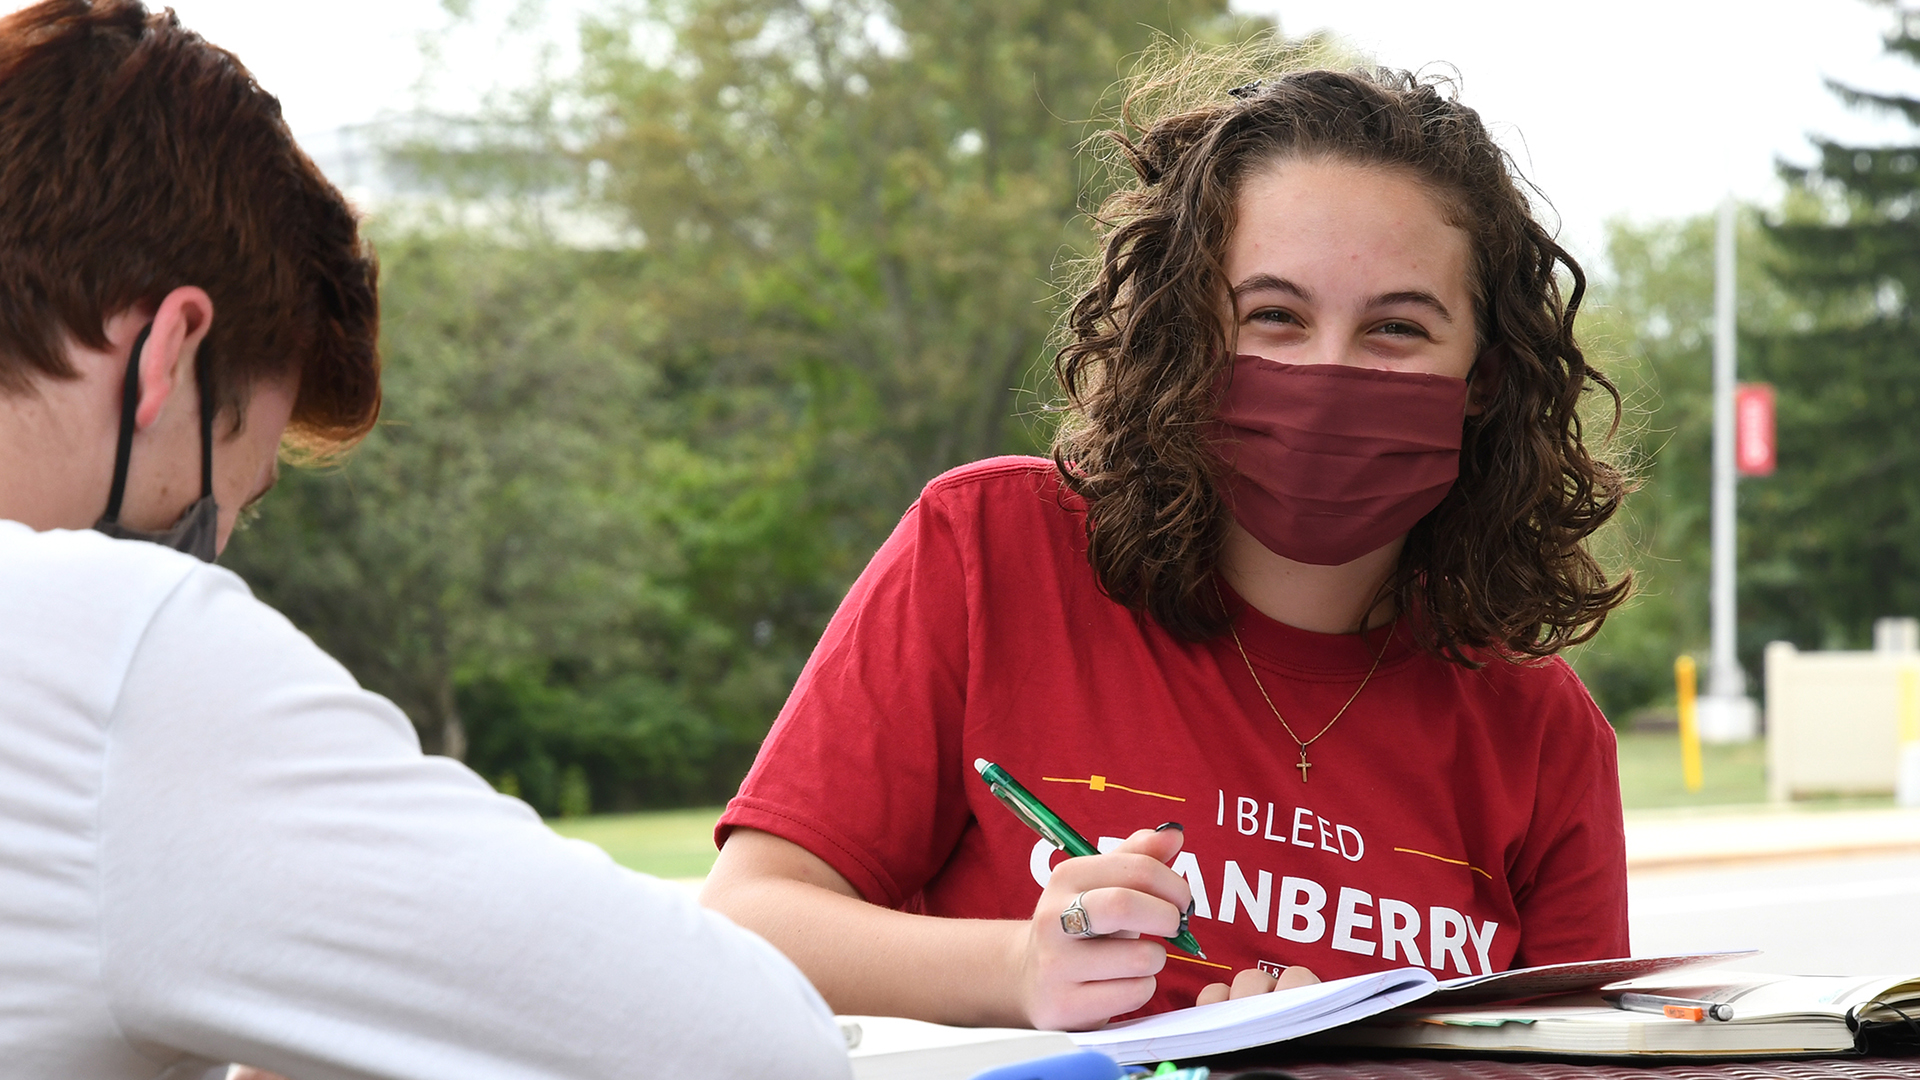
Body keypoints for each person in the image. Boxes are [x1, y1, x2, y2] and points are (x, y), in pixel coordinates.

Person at [0, 2, 848, 1076]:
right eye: (226, 501)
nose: (209, 547)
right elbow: (754, 1047)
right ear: (171, 350)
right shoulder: (108, 653)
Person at [700, 61, 1634, 1032]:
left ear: (1482, 378)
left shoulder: (1541, 732)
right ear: (1193, 330)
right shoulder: (987, 551)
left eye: (1396, 328)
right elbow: (746, 917)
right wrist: (1021, 966)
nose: (1327, 371)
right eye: (1274, 315)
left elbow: (1583, 1055)